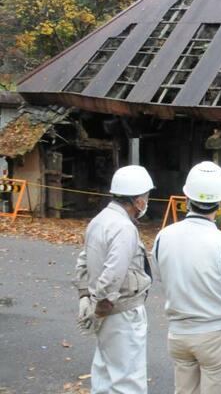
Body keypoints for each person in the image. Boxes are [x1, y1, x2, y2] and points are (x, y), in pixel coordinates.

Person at [152, 161, 221, 394]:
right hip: (216, 332)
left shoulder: (162, 237)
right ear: (220, 204)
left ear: (186, 199)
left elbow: (161, 276)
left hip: (178, 332)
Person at [74, 165, 154, 394]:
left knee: (104, 375)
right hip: (121, 311)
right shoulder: (124, 228)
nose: (146, 202)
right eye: (145, 197)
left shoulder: (99, 220)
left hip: (106, 310)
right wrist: (100, 306)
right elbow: (113, 275)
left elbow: (83, 260)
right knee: (128, 381)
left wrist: (85, 297)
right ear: (136, 199)